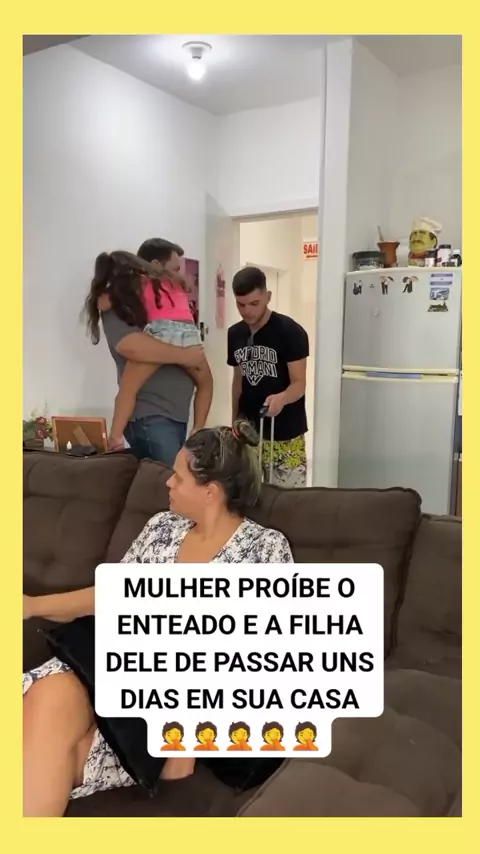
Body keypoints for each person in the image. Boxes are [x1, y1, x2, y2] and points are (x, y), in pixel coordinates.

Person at [23, 421, 293, 816]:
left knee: (45, 744)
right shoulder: (162, 528)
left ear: (210, 492)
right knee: (44, 704)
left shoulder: (264, 550)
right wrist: (31, 605)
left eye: (179, 477)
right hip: (106, 664)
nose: (168, 483)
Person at [92, 238, 212, 467]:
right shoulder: (134, 294)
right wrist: (185, 355)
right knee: (169, 480)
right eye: (175, 268)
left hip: (175, 414)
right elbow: (130, 345)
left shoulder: (144, 289)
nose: (178, 273)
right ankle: (115, 437)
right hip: (152, 415)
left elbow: (205, 382)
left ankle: (115, 436)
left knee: (169, 480)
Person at [227, 266, 309, 487]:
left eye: (254, 303)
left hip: (285, 432)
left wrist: (282, 398)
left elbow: (299, 383)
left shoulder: (291, 331)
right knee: (248, 494)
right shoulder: (235, 334)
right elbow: (238, 381)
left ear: (268, 297)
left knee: (287, 499)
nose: (247, 311)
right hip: (248, 431)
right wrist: (234, 420)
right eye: (240, 305)